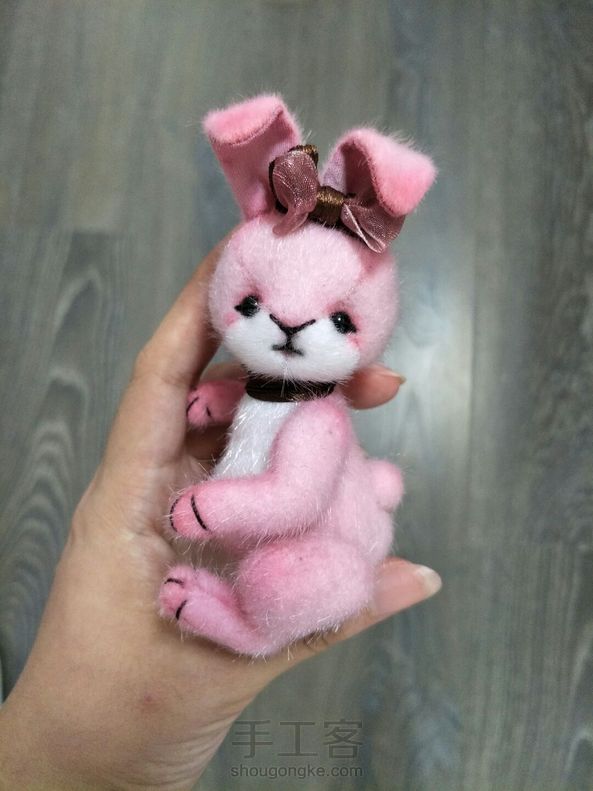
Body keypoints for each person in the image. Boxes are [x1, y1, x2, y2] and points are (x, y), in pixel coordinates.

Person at [0, 238, 442, 790]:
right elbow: (259, 400)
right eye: (253, 305)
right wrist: (222, 399)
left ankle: (251, 632)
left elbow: (293, 500)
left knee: (275, 579)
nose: (288, 326)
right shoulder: (274, 390)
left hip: (328, 549)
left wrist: (212, 508)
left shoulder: (320, 423)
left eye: (339, 320)